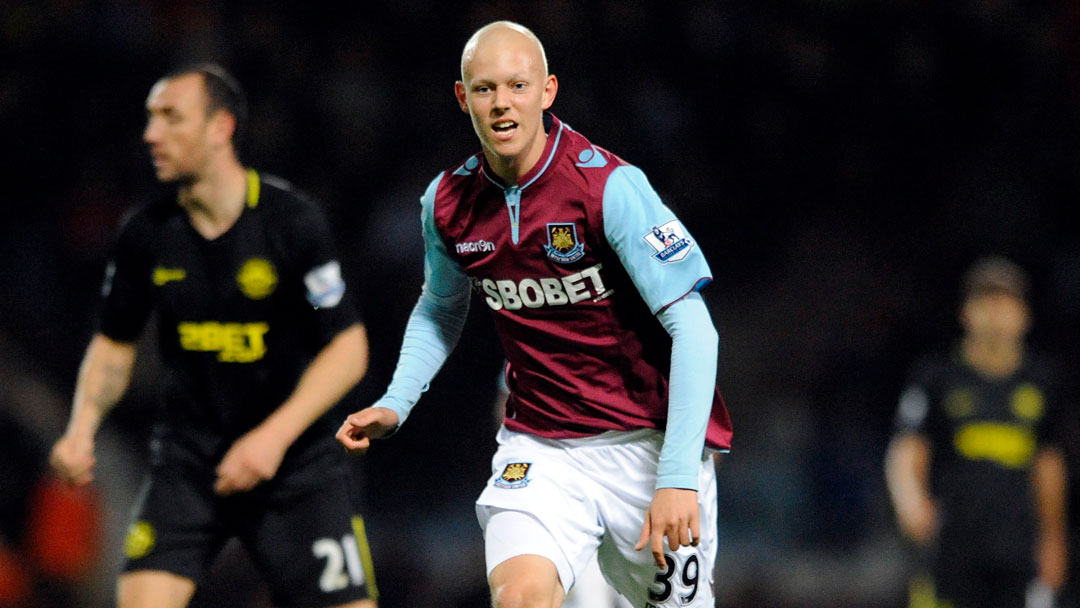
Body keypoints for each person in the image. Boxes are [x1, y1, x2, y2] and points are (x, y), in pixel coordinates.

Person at [336, 20, 732, 608]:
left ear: (547, 92)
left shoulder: (609, 188)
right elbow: (441, 308)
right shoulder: (446, 203)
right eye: (486, 89)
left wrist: (675, 475)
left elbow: (695, 329)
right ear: (462, 97)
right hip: (540, 447)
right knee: (520, 597)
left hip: (648, 448)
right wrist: (397, 401)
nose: (502, 104)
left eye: (517, 87)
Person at [49, 63, 378, 608]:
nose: (152, 134)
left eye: (171, 118)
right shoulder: (145, 233)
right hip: (189, 465)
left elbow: (348, 349)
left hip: (296, 469)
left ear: (221, 128)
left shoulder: (290, 222)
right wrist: (81, 428)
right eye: (151, 119)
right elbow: (114, 344)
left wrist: (272, 437)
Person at [884, 255, 1068, 608]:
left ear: (1024, 316)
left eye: (1005, 302)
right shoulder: (936, 375)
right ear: (966, 313)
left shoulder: (1041, 382)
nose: (995, 312)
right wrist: (908, 498)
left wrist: (1053, 537)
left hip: (1018, 550)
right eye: (984, 302)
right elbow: (908, 446)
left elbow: (1048, 462)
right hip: (951, 546)